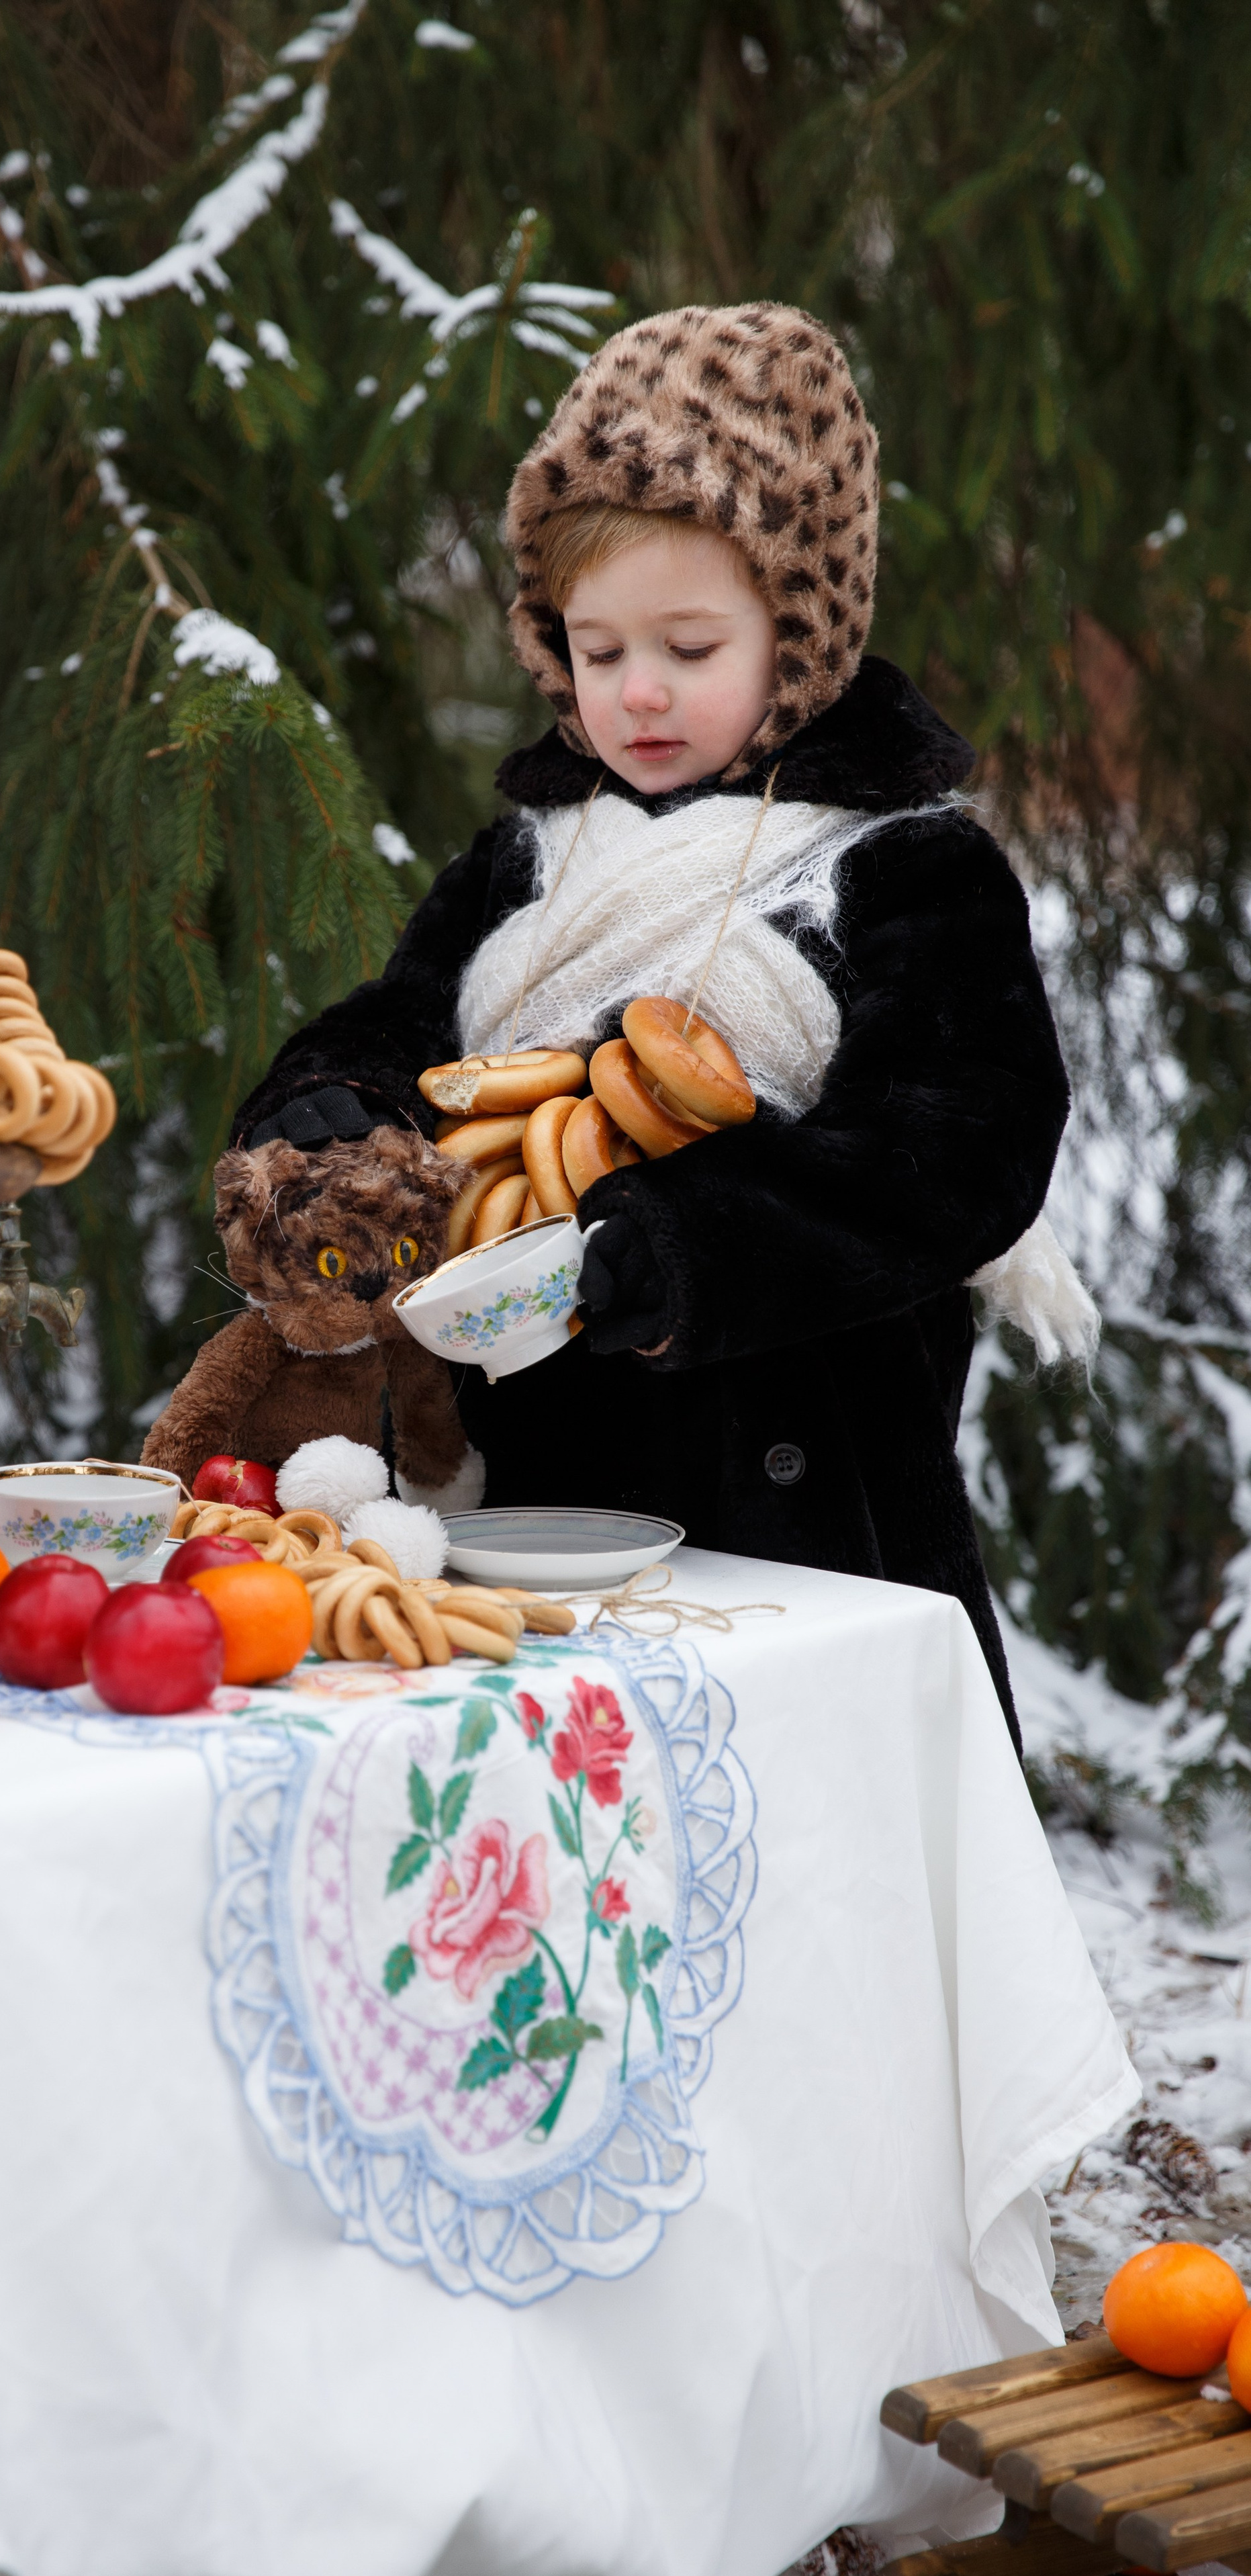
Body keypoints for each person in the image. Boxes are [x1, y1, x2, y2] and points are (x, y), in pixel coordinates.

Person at [226, 303, 1096, 1744]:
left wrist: (688, 1249)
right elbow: (405, 1024)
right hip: (521, 1509)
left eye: (690, 646)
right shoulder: (526, 861)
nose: (635, 692)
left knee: (790, 1842)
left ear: (800, 634)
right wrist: (330, 1100)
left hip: (804, 1518)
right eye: (596, 646)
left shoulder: (904, 869)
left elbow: (957, 1154)